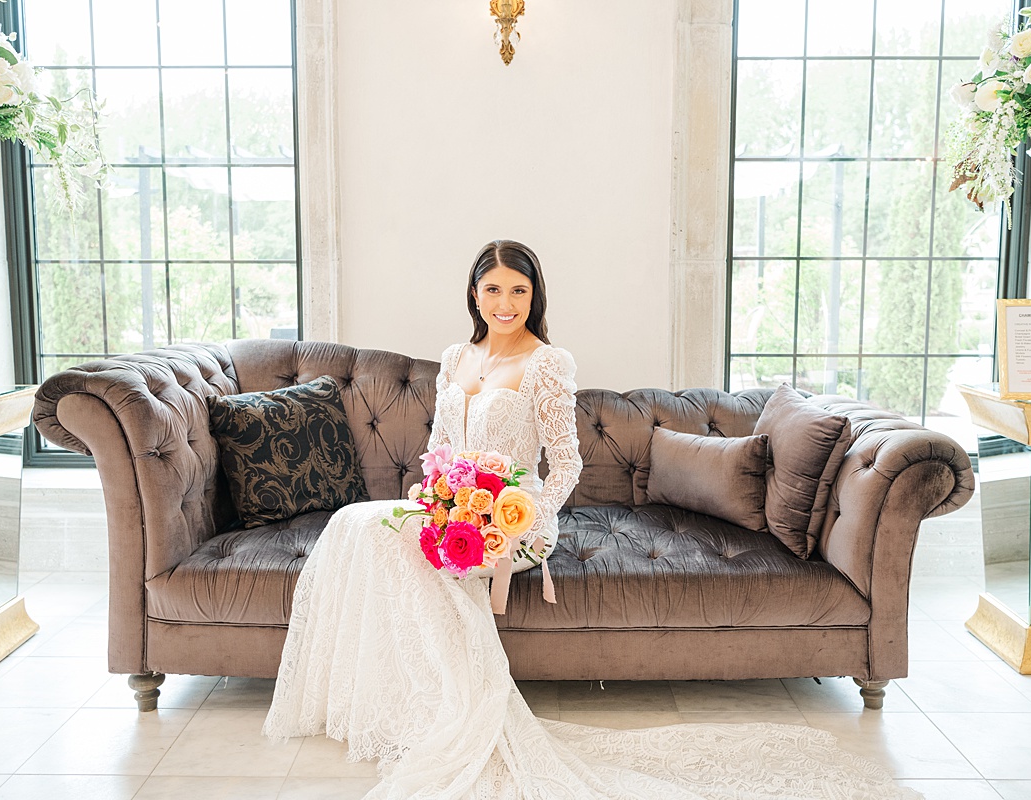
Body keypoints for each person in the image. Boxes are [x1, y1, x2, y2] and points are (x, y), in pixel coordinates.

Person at [263, 240, 917, 799]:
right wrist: (434, 492)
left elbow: (566, 463)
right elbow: (439, 451)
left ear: (533, 295)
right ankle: (400, 697)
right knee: (355, 525)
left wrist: (519, 514)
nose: (505, 303)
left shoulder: (548, 363)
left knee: (384, 538)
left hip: (515, 515)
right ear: (473, 292)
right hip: (452, 502)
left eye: (518, 291)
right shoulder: (458, 359)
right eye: (492, 289)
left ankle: (448, 706)